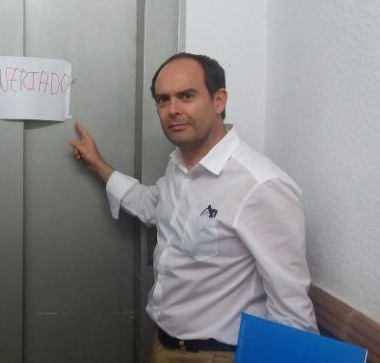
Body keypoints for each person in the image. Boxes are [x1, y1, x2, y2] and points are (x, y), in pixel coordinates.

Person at [69, 53, 318, 362]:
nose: (173, 110)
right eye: (163, 100)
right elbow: (151, 205)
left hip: (218, 355)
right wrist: (99, 166)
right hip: (165, 347)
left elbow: (291, 307)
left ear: (219, 100)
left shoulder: (260, 186)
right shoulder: (179, 166)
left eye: (186, 96)